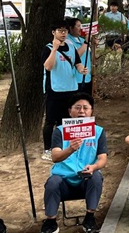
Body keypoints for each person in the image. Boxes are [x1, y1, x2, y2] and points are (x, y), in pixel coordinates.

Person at [41, 93, 107, 233]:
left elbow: (103, 158)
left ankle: (90, 217)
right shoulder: (59, 131)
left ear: (91, 111)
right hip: (63, 181)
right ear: (70, 111)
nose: (81, 111)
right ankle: (51, 221)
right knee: (52, 182)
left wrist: (93, 167)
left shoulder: (98, 131)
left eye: (85, 108)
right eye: (77, 108)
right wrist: (70, 149)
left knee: (96, 177)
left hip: (85, 179)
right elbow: (55, 156)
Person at [42, 20, 88, 161]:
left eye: (65, 31)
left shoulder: (71, 46)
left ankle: (65, 148)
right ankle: (48, 149)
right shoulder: (48, 48)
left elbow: (77, 63)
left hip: (71, 89)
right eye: (60, 31)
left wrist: (81, 69)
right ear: (53, 32)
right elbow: (48, 67)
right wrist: (55, 49)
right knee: (51, 121)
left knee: (67, 120)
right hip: (54, 89)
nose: (63, 34)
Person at [66, 17, 93, 95]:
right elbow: (75, 56)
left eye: (81, 26)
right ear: (71, 28)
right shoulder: (67, 41)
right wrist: (86, 42)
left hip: (86, 77)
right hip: (75, 78)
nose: (80, 28)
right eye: (78, 26)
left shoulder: (82, 40)